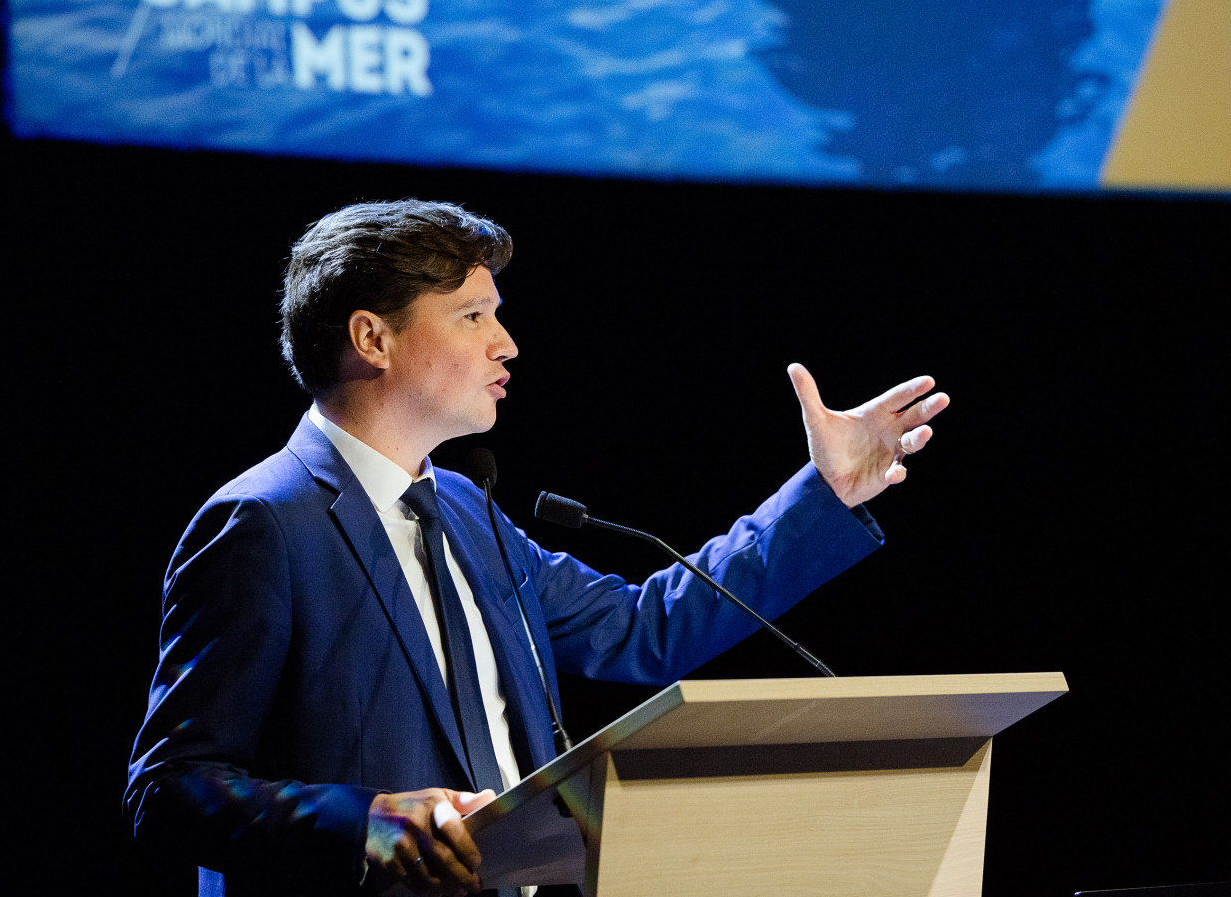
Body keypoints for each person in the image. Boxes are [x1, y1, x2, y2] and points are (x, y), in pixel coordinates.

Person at [125, 199, 948, 897]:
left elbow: (644, 628)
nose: (505, 344)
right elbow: (169, 790)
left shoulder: (466, 512)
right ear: (372, 339)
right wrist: (366, 824)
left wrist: (824, 494)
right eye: (473, 316)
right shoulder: (264, 523)